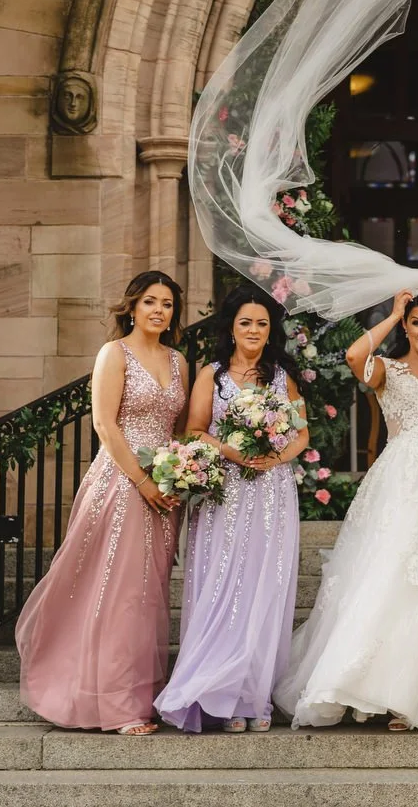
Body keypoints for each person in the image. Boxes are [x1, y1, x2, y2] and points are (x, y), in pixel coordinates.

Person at [274, 279, 418, 732]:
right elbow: (355, 356)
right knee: (392, 577)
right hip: (403, 485)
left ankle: (413, 696)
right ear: (407, 327)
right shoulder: (387, 370)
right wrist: (393, 313)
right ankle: (370, 686)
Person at [15, 271, 186, 735]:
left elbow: (179, 431)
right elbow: (106, 427)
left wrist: (180, 473)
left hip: (164, 488)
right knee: (118, 591)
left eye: (167, 304)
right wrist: (143, 481)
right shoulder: (114, 354)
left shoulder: (178, 361)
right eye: (150, 301)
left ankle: (140, 697)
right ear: (132, 307)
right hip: (122, 481)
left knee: (148, 595)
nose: (158, 310)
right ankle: (115, 704)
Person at [155, 286, 311, 733]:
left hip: (271, 492)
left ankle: (253, 697)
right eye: (246, 322)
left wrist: (273, 457)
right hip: (226, 490)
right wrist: (233, 452)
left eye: (262, 323)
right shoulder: (213, 375)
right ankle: (218, 694)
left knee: (264, 589)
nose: (255, 331)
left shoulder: (282, 376)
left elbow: (302, 434)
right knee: (224, 585)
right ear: (231, 327)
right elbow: (195, 430)